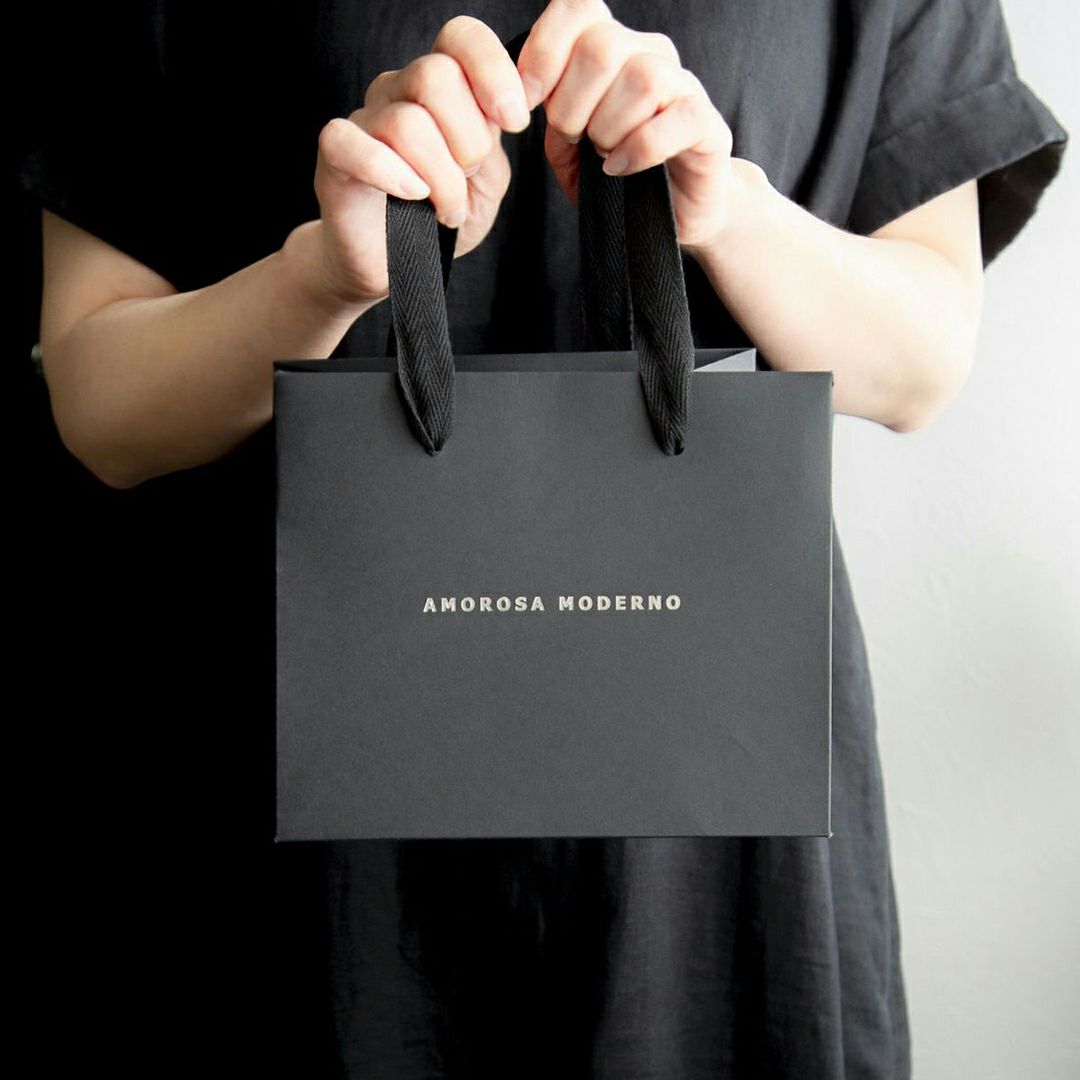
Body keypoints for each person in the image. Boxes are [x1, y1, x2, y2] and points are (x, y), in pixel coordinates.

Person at [16, 0, 1067, 1076]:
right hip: (299, 787)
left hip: (717, 800)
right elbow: (102, 405)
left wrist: (728, 210)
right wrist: (320, 277)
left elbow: (923, 359)